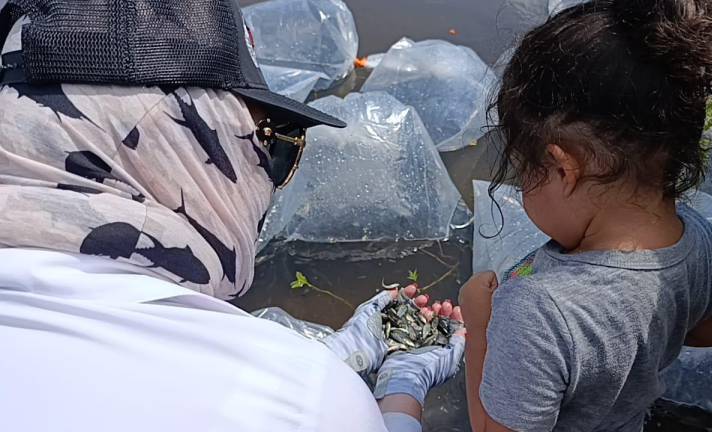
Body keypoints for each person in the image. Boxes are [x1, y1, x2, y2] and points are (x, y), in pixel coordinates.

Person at [0, 1, 464, 431]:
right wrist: (399, 388)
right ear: (179, 142)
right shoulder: (301, 405)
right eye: (274, 142)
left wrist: (338, 353)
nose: (266, 180)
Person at [458, 0, 712, 430]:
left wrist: (479, 326)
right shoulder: (698, 238)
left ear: (563, 169)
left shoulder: (535, 312)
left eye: (522, 170)